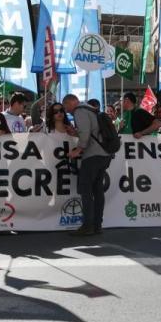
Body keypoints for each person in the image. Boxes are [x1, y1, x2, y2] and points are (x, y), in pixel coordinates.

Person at [63, 94, 111, 236]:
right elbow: (91, 132)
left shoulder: (79, 111)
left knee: (86, 190)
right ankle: (97, 225)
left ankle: (87, 226)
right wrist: (75, 133)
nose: (66, 111)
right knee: (98, 190)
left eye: (66, 107)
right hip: (104, 154)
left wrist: (78, 150)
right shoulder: (91, 109)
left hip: (92, 156)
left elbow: (85, 134)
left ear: (71, 102)